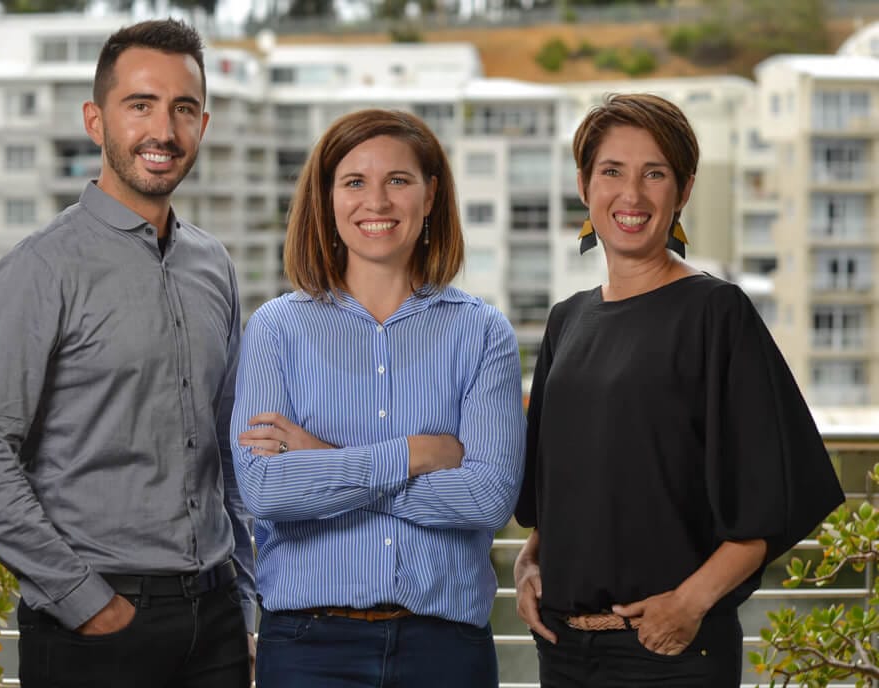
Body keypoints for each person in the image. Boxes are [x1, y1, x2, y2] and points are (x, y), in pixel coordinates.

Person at [0, 19, 254, 688]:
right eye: (139, 105)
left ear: (204, 122)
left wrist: (245, 598)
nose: (163, 131)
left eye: (184, 109)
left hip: (218, 620)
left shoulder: (214, 266)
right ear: (96, 119)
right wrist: (86, 602)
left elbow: (226, 449)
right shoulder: (38, 270)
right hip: (95, 626)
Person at [513, 93, 844, 687]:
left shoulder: (717, 313)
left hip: (672, 653)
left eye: (655, 174)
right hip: (563, 649)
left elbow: (773, 503)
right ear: (585, 184)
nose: (631, 195)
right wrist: (529, 561)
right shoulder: (567, 319)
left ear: (684, 190)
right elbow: (565, 487)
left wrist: (689, 605)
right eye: (612, 171)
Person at [230, 108, 525, 688]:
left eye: (398, 180)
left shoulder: (483, 332)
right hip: (309, 649)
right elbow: (263, 489)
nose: (378, 202)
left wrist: (323, 457)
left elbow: (488, 499)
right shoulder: (276, 330)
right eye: (355, 182)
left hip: (446, 650)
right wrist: (412, 454)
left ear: (431, 194)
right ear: (327, 198)